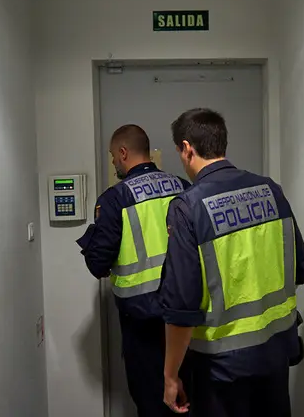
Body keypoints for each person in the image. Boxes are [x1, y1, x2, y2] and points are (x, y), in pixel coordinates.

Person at [159, 109, 304, 416]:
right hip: (275, 356)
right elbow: (301, 268)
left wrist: (170, 374)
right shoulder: (270, 190)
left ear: (187, 148)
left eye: (180, 152)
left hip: (220, 370)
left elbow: (182, 308)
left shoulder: (188, 207)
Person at [76, 124, 191, 417]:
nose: (114, 161)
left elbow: (97, 263)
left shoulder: (115, 199)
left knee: (152, 402)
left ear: (124, 152)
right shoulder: (183, 187)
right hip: (188, 319)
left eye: (114, 155)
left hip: (144, 323)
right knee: (189, 400)